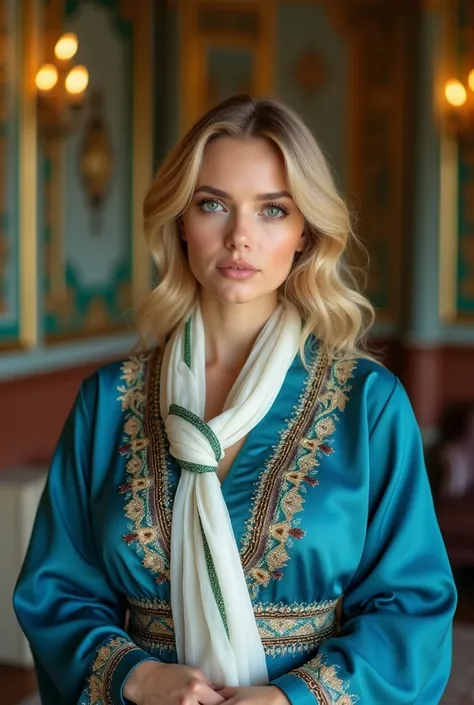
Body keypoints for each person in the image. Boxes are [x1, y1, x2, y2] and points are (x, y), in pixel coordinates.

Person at [14, 94, 456, 705]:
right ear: (180, 221)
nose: (239, 237)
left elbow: (412, 605)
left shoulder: (368, 404)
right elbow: (56, 589)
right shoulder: (108, 403)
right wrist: (137, 677)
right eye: (213, 204)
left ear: (305, 233)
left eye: (272, 210)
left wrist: (290, 698)